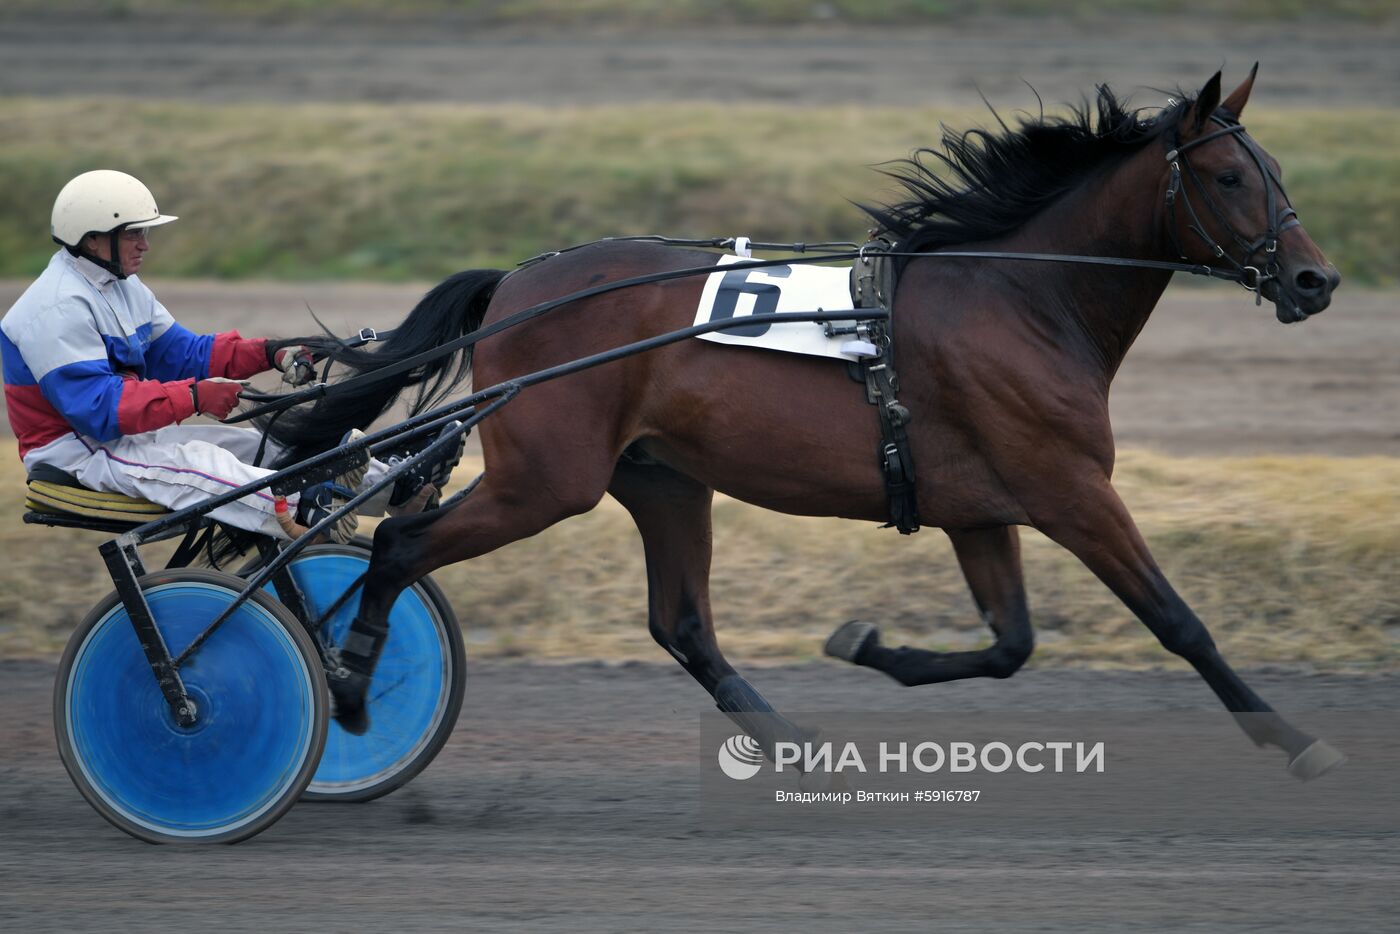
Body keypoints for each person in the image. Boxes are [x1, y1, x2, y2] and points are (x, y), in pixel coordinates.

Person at [1, 170, 435, 540]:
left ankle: (398, 488)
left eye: (144, 232)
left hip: (119, 441)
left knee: (255, 444)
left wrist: (270, 353)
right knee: (201, 465)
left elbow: (182, 353)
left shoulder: (119, 286)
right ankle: (310, 509)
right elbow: (98, 411)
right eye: (133, 232)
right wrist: (194, 397)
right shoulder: (56, 308)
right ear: (93, 238)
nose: (145, 244)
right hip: (79, 454)